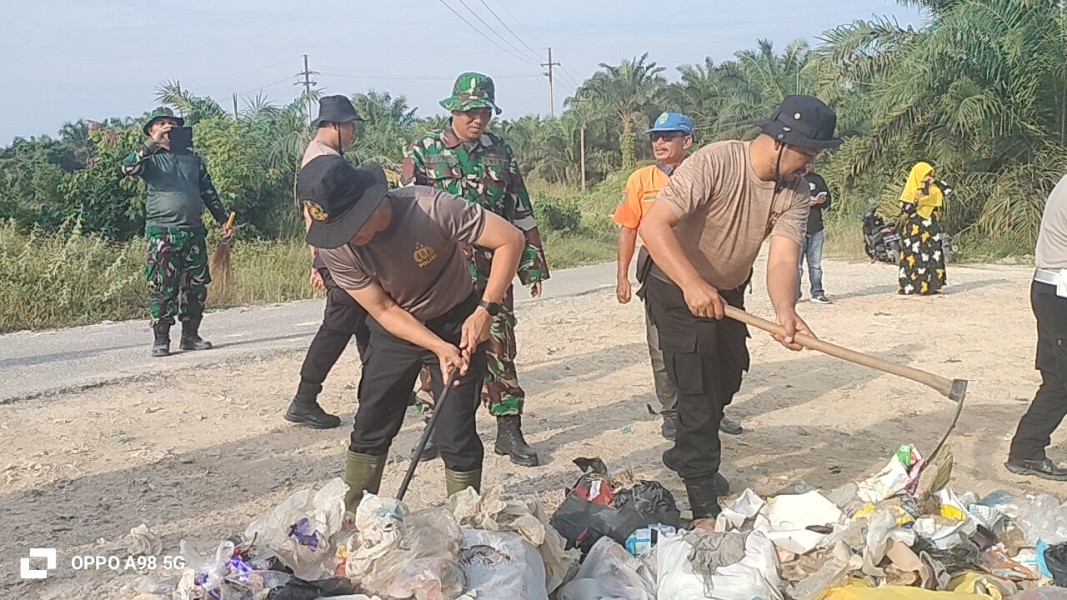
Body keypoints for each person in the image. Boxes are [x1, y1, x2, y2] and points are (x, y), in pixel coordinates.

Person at [638, 95, 841, 520]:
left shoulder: (796, 191)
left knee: (726, 378)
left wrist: (785, 311)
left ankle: (686, 451)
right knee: (696, 394)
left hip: (727, 294)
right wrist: (691, 283)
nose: (810, 165)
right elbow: (653, 225)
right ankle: (702, 502)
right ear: (781, 140)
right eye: (807, 154)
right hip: (674, 286)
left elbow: (784, 257)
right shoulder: (715, 163)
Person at [300, 155, 525, 509]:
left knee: (456, 432)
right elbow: (383, 309)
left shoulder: (431, 208)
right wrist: (436, 347)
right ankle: (355, 516)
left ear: (370, 202)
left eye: (351, 226)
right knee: (372, 423)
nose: (348, 238)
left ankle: (464, 523)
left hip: (457, 318)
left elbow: (510, 239)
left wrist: (485, 310)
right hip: (396, 330)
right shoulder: (336, 247)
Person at [401, 72, 549, 467]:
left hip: (492, 270)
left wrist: (532, 262)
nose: (477, 119)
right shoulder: (424, 151)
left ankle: (508, 428)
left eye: (484, 111)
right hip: (439, 273)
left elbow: (519, 207)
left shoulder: (500, 151)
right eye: (470, 111)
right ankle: (435, 424)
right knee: (436, 348)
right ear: (453, 110)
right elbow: (403, 211)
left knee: (500, 347)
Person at [613, 111, 743, 440]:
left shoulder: (709, 174)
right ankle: (672, 412)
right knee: (663, 346)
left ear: (687, 141)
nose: (659, 142)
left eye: (668, 136)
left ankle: (714, 410)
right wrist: (623, 276)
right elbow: (629, 230)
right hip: (659, 274)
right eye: (655, 136)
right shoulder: (640, 180)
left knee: (713, 344)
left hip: (704, 269)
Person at [284, 95, 370, 429]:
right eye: (350, 126)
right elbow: (314, 214)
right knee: (337, 327)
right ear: (333, 125)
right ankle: (304, 400)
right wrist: (319, 260)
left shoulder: (323, 154)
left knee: (367, 323)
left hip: (337, 252)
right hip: (338, 254)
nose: (352, 133)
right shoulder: (324, 160)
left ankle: (378, 388)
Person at [121, 107, 233, 357]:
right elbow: (127, 167)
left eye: (171, 123)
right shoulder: (149, 160)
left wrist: (223, 220)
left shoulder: (192, 159)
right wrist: (152, 144)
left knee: (196, 287)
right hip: (163, 233)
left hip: (193, 232)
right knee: (163, 287)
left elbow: (208, 192)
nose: (167, 127)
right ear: (151, 130)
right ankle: (161, 339)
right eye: (161, 124)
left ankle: (190, 336)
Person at [1005, 174, 1067, 481]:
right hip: (1059, 292)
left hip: (1052, 289)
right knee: (1061, 380)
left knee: (1058, 378)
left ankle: (1026, 451)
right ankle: (1026, 451)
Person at [897, 162, 947, 296]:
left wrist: (935, 181)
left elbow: (948, 190)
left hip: (931, 228)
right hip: (915, 229)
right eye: (925, 175)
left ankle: (932, 286)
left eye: (929, 175)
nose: (927, 178)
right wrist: (915, 201)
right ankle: (911, 286)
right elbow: (905, 210)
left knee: (932, 255)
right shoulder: (910, 191)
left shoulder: (935, 190)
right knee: (914, 256)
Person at [799, 167, 832, 304]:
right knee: (796, 266)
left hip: (816, 228)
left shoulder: (817, 179)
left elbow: (829, 201)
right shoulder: (792, 179)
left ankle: (817, 292)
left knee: (815, 265)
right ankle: (794, 293)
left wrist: (822, 200)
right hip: (798, 228)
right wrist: (806, 202)